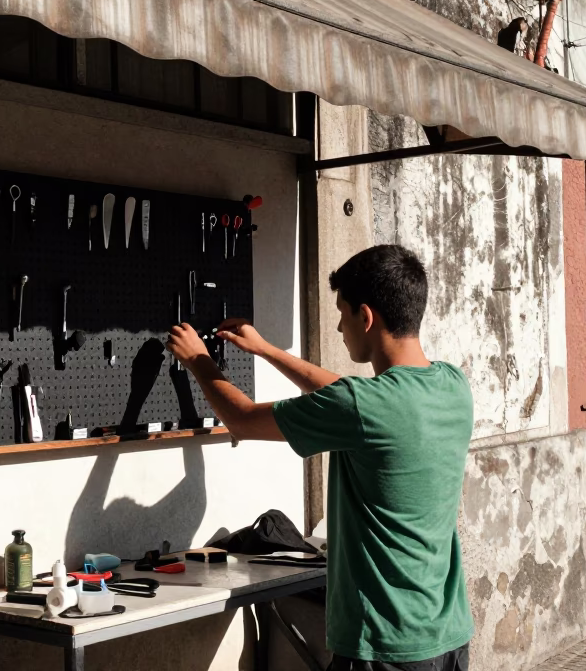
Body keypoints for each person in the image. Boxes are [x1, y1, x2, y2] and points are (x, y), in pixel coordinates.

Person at [166, 244, 474, 671]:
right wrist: (267, 351)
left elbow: (242, 420)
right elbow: (347, 397)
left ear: (366, 317)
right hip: (448, 636)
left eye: (342, 313)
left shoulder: (362, 405)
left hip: (384, 647)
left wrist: (198, 359)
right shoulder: (452, 385)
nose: (339, 326)